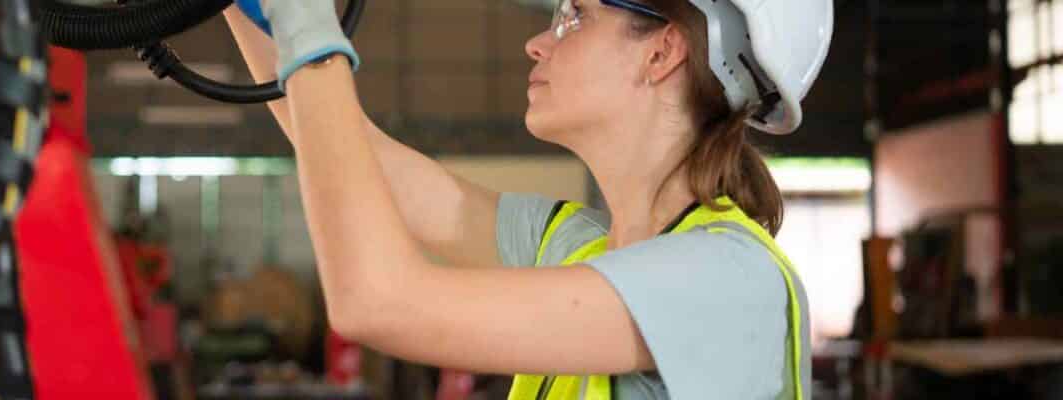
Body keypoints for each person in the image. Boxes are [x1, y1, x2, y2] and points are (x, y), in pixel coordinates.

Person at [223, 0, 832, 398]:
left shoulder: (722, 279)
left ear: (661, 52)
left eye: (575, 16)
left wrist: (308, 26)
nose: (537, 43)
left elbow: (377, 301)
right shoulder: (577, 247)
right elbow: (357, 156)